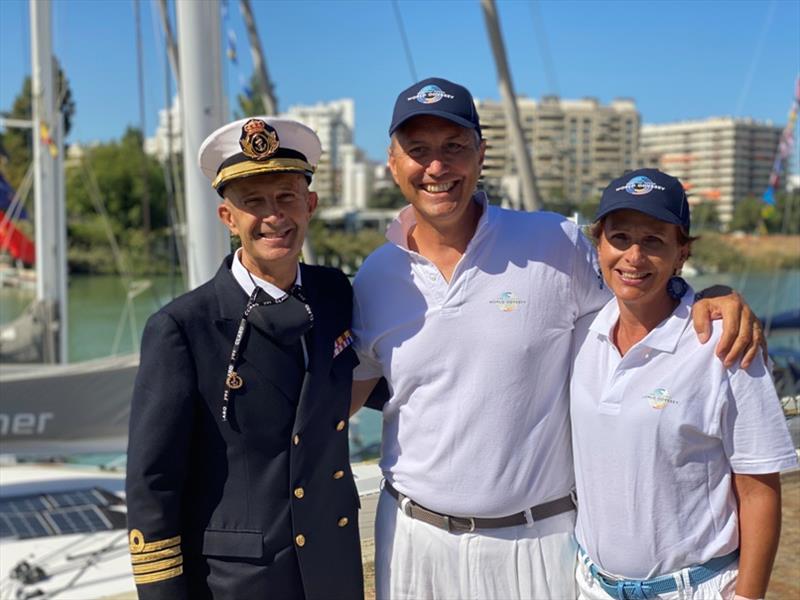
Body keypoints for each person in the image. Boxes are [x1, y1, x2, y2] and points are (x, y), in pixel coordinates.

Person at [349, 77, 764, 599]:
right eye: (419, 150)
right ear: (392, 161)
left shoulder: (553, 243)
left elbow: (638, 281)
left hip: (536, 542)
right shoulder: (374, 276)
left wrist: (713, 294)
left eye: (454, 147)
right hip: (414, 543)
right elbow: (342, 397)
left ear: (482, 153)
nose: (437, 167)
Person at [125, 117, 363, 600]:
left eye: (286, 197)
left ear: (310, 204)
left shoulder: (335, 293)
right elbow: (153, 487)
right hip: (238, 585)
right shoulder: (181, 328)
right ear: (227, 218)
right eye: (252, 202)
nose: (273, 215)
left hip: (334, 571)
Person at [570, 169, 797, 600]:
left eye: (654, 241)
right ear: (598, 244)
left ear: (681, 253)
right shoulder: (581, 332)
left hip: (694, 589)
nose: (633, 257)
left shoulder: (725, 346)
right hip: (591, 585)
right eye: (619, 238)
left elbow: (759, 492)